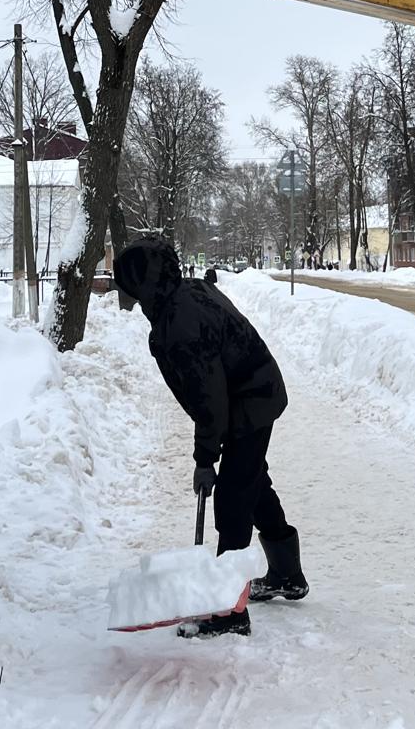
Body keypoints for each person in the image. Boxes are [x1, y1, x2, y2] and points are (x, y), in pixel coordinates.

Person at [112, 235, 307, 638]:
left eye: (128, 282)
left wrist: (205, 459)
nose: (123, 292)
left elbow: (209, 399)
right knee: (251, 481)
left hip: (251, 398)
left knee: (234, 497)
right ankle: (286, 572)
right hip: (253, 391)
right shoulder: (182, 296)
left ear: (145, 282)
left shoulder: (180, 323)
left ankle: (227, 610)